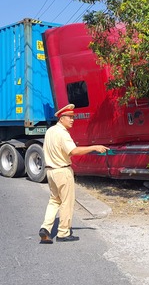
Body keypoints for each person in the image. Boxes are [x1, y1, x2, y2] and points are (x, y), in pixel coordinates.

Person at [39, 104, 109, 243]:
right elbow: (74, 151)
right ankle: (63, 233)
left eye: (73, 117)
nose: (72, 120)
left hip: (51, 171)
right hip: (62, 171)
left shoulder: (50, 131)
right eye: (70, 117)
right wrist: (94, 147)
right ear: (62, 118)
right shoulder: (63, 133)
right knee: (66, 202)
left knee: (54, 200)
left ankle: (45, 228)